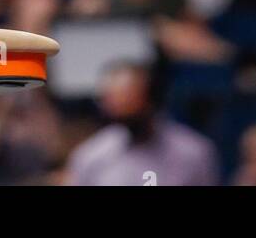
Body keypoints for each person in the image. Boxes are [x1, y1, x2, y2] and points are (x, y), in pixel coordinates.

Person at [63, 60, 219, 186]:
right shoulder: (91, 157)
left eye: (128, 102)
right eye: (113, 103)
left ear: (151, 100)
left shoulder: (194, 153)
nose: (119, 111)